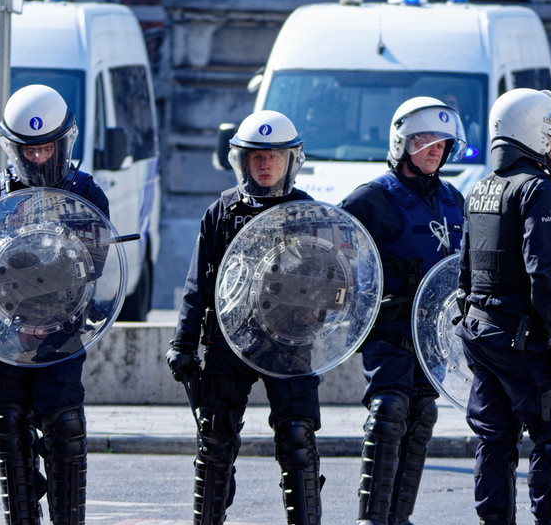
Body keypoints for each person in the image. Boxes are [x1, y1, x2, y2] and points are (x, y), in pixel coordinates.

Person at [164, 110, 324, 525]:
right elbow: (198, 283)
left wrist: (317, 319)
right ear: (243, 162)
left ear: (290, 161)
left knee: (298, 441)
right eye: (257, 157)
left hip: (290, 344)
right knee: (214, 442)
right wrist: (183, 343)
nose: (266, 164)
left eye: (274, 157)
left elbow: (333, 284)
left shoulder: (310, 214)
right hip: (229, 342)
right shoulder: (221, 211)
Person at [0, 84, 109, 523]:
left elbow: (96, 265)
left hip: (60, 335)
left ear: (63, 144)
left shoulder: (86, 194)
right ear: (15, 150)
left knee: (64, 426)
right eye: (30, 151)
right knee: (9, 426)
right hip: (4, 336)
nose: (39, 158)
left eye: (47, 149)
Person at [454, 88, 551, 525]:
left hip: (482, 331)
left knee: (495, 439)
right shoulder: (538, 191)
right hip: (520, 338)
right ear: (533, 133)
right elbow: (546, 276)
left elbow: (466, 271)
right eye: (550, 133)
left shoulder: (482, 188)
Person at [339, 96, 467, 525]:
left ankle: (399, 517)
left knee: (422, 414)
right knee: (389, 409)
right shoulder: (371, 199)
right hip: (389, 329)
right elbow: (333, 259)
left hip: (434, 336)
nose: (436, 148)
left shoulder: (453, 199)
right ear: (403, 142)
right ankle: (372, 519)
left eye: (443, 142)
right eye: (426, 139)